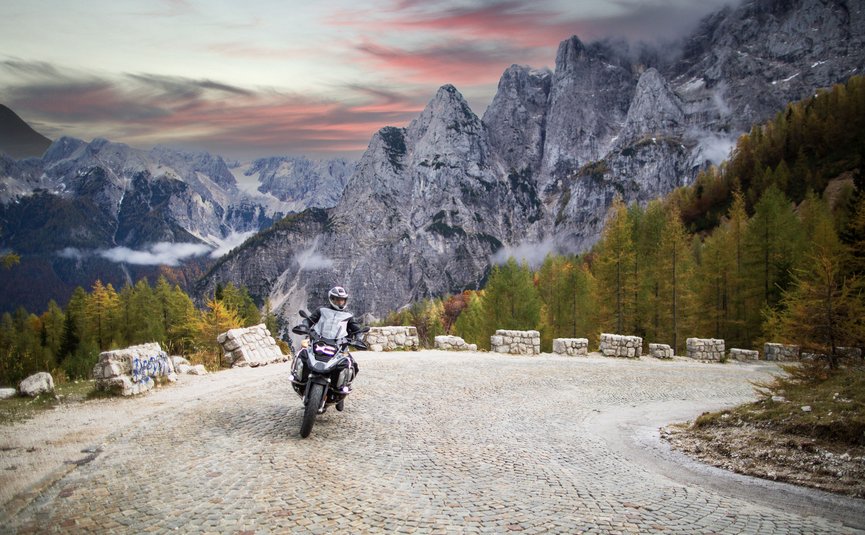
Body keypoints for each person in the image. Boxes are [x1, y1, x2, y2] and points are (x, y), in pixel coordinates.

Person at [298, 286, 363, 392]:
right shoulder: (321, 310)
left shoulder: (348, 316)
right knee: (303, 354)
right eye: (337, 299)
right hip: (319, 340)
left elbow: (357, 329)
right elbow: (309, 320)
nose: (340, 302)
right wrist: (304, 325)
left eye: (342, 300)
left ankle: (344, 385)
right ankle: (299, 377)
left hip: (339, 344)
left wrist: (359, 337)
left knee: (353, 365)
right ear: (332, 299)